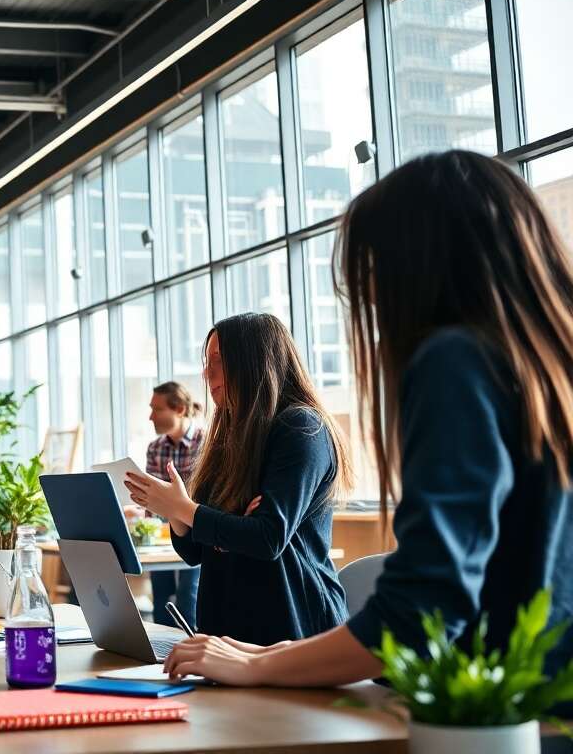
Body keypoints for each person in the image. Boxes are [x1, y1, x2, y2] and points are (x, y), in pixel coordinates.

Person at [160, 151, 573, 695]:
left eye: (373, 268)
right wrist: (281, 653)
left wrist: (259, 665)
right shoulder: (542, 366)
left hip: (489, 712)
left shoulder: (454, 362)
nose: (371, 297)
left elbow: (422, 606)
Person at [125, 313, 352, 646]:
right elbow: (194, 550)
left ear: (254, 361)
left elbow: (267, 537)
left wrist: (194, 513)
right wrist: (179, 513)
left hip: (293, 633)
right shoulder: (228, 437)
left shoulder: (301, 428)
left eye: (217, 360)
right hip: (228, 634)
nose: (207, 372)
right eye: (206, 362)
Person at [143, 381, 205, 630]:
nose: (151, 416)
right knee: (160, 598)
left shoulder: (206, 442)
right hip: (165, 533)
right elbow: (153, 498)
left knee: (188, 596)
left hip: (198, 531)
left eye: (157, 410)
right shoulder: (155, 448)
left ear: (179, 409)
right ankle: (161, 658)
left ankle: (189, 652)